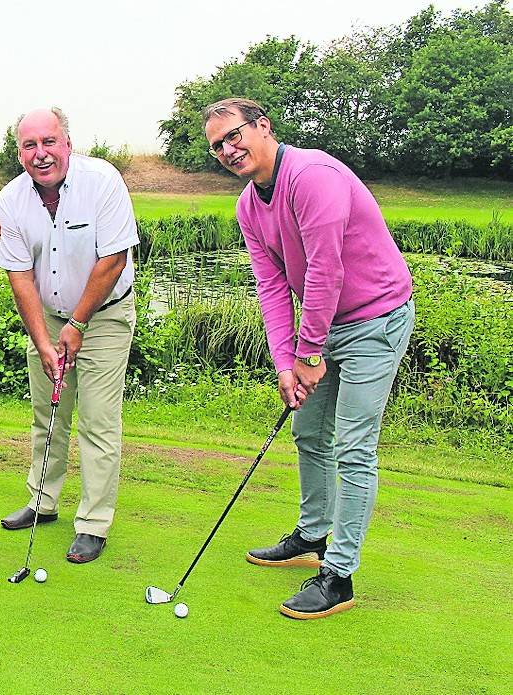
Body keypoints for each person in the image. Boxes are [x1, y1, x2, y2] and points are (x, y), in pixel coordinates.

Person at [203, 97, 414, 619]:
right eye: (217, 147)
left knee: (354, 447)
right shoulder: (249, 205)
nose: (228, 150)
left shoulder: (312, 176)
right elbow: (272, 287)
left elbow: (326, 270)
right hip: (326, 328)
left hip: (375, 319)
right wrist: (285, 363)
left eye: (234, 136)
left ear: (263, 127)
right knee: (308, 432)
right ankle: (315, 532)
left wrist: (310, 353)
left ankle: (339, 576)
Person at [0, 108, 138, 564]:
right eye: (30, 146)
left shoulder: (103, 181)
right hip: (49, 317)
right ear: (19, 152)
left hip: (105, 317)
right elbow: (19, 274)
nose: (41, 154)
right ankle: (42, 501)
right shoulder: (12, 199)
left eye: (49, 142)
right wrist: (42, 340)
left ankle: (94, 522)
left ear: (68, 143)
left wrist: (77, 325)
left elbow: (113, 258)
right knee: (47, 413)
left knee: (97, 418)